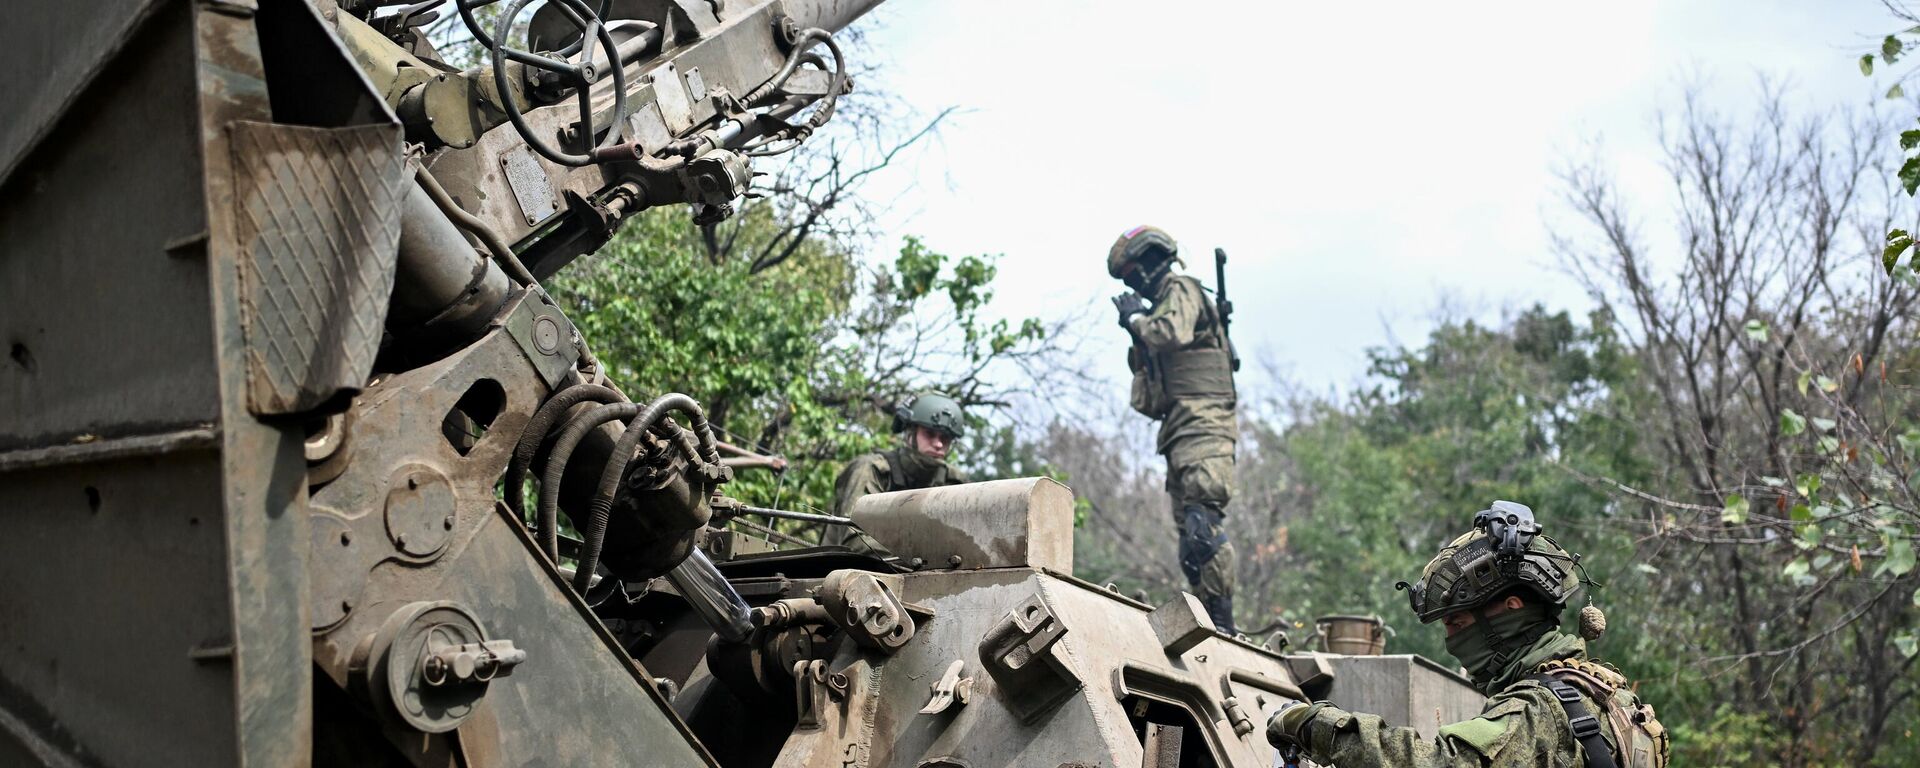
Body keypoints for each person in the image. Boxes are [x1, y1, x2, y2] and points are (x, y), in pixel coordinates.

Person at [1266, 501, 1670, 768]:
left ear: (1510, 611)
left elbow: (1439, 763)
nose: (1452, 643)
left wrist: (1315, 725)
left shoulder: (1536, 710)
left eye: (1458, 624)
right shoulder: (1610, 695)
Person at [1109, 225, 1239, 633]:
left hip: (1205, 427)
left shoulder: (1180, 289)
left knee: (1204, 529)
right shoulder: (1163, 309)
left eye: (1132, 274)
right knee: (1189, 545)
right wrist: (1140, 346)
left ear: (1149, 262)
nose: (1133, 285)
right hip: (1179, 433)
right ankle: (1208, 623)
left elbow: (1170, 331)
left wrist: (1135, 320)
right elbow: (1147, 402)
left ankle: (1224, 626)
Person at [820, 392, 970, 553]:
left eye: (946, 438)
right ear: (910, 433)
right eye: (929, 434)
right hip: (844, 573)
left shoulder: (955, 483)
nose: (938, 444)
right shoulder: (872, 470)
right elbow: (857, 541)